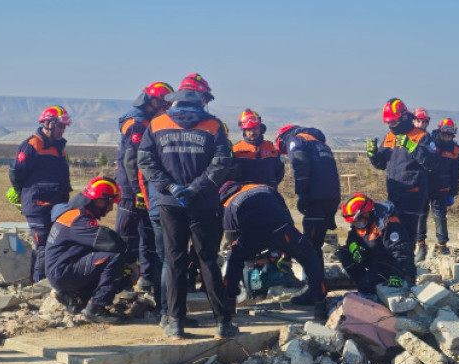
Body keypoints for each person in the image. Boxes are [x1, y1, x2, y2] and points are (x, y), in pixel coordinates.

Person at [137, 73, 236, 340]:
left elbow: (145, 161)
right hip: (203, 203)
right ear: (200, 99)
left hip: (169, 203)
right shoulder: (214, 126)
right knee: (207, 260)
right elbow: (222, 163)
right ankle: (223, 323)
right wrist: (196, 188)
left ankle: (175, 322)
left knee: (174, 260)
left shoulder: (157, 124)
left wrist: (170, 187)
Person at [219, 182, 328, 321]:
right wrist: (286, 248)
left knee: (233, 260)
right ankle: (320, 306)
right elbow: (285, 214)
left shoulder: (228, 202)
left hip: (253, 234)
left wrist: (250, 257)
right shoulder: (264, 188)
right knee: (310, 257)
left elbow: (231, 238)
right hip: (282, 229)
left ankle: (229, 304)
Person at [46, 177, 132, 324]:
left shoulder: (75, 213)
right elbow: (111, 243)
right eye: (110, 203)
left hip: (61, 269)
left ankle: (75, 298)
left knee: (107, 261)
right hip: (62, 272)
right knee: (114, 259)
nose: (111, 208)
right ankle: (96, 308)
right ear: (99, 200)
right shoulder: (79, 219)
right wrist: (131, 260)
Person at [115, 82, 173, 294]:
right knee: (127, 235)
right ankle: (119, 280)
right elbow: (131, 160)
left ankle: (147, 278)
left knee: (146, 234)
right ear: (153, 101)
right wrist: (136, 189)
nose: (166, 109)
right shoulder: (137, 123)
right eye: (164, 104)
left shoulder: (147, 120)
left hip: (142, 185)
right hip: (132, 187)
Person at [274, 124, 340, 305]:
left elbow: (299, 164)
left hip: (316, 198)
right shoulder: (319, 143)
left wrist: (302, 193)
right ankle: (317, 287)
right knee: (316, 242)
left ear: (282, 138)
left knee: (310, 246)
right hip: (331, 197)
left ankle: (315, 290)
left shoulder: (296, 140)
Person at [8, 106, 72, 282]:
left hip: (57, 204)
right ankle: (40, 285)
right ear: (48, 123)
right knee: (44, 245)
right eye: (60, 125)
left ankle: (53, 281)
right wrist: (23, 195)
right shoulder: (32, 144)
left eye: (64, 126)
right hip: (38, 205)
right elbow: (16, 174)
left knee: (56, 244)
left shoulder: (60, 147)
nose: (63, 129)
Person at [367, 98, 436, 241]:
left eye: (393, 121)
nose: (391, 125)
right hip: (394, 193)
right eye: (388, 122)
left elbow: (432, 162)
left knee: (407, 236)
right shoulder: (390, 137)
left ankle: (407, 262)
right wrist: (373, 155)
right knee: (394, 234)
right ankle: (397, 262)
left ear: (404, 117)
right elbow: (381, 164)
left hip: (413, 194)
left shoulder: (421, 136)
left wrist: (411, 146)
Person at [336, 193, 416, 295]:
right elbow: (351, 240)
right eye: (353, 222)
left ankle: (370, 288)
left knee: (365, 286)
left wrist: (397, 274)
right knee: (344, 253)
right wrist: (354, 249)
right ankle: (365, 284)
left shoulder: (387, 223)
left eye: (356, 220)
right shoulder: (361, 223)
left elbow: (401, 251)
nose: (355, 224)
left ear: (366, 213)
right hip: (375, 260)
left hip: (390, 264)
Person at [416, 118, 459, 262]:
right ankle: (421, 246)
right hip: (424, 185)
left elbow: (456, 172)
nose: (447, 137)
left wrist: (453, 193)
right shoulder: (430, 143)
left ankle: (442, 246)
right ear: (439, 131)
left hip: (442, 188)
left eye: (450, 135)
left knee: (440, 217)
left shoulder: (455, 150)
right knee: (421, 215)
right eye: (444, 134)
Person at [230, 109, 284, 187]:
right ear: (244, 130)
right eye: (248, 129)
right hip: (245, 196)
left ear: (260, 128)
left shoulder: (272, 149)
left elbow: (279, 173)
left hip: (269, 194)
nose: (252, 132)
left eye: (255, 128)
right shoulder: (236, 150)